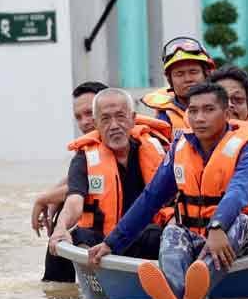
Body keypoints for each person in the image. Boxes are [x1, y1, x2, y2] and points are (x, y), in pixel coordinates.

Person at [88, 82, 248, 299]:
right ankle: (179, 298)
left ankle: (194, 288)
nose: (199, 118)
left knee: (239, 222)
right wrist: (112, 243)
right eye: (193, 110)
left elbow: (239, 191)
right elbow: (151, 197)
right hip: (199, 236)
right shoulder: (180, 147)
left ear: (226, 113)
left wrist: (218, 226)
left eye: (208, 110)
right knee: (173, 230)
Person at [47, 88, 173, 261]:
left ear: (133, 119)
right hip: (100, 244)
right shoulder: (84, 157)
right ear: (97, 124)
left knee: (158, 234)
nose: (114, 125)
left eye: (120, 116)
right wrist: (60, 227)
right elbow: (74, 200)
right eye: (105, 119)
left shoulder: (157, 149)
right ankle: (57, 286)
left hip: (143, 239)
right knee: (63, 239)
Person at [32, 80, 108, 282]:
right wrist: (55, 194)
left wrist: (44, 198)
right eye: (78, 117)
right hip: (97, 232)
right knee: (63, 227)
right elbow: (80, 181)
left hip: (125, 234)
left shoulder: (137, 144)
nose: (84, 122)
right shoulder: (86, 153)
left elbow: (95, 181)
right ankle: (57, 296)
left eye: (89, 113)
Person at [140, 37, 215, 133]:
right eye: (179, 74)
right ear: (169, 80)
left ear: (207, 74)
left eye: (193, 72)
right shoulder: (164, 118)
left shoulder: (226, 107)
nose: (188, 79)